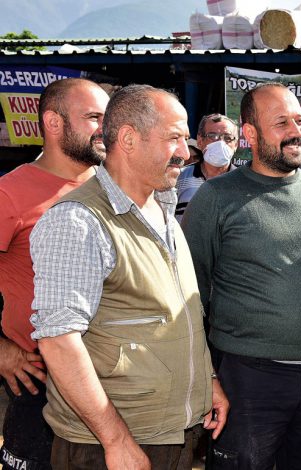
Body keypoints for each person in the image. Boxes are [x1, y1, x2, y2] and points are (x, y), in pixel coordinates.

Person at [29, 84, 228, 470]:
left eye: (186, 140)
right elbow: (58, 341)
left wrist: (206, 383)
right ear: (128, 139)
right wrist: (115, 440)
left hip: (171, 431)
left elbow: (170, 318)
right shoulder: (78, 221)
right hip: (109, 446)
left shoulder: (162, 207)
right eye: (174, 138)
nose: (186, 154)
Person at [181, 82, 301, 470]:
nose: (296, 131)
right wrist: (208, 377)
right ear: (249, 134)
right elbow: (189, 295)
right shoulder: (216, 198)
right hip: (247, 379)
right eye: (281, 122)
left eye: (299, 120)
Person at [0, 77, 109, 470]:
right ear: (54, 122)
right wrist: (2, 350)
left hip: (111, 381)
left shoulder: (114, 188)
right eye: (94, 117)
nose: (105, 128)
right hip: (40, 383)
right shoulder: (10, 193)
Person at [175, 113, 239, 221]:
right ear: (200, 141)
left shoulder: (244, 180)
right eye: (213, 136)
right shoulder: (178, 178)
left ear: (236, 145)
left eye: (227, 138)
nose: (220, 143)